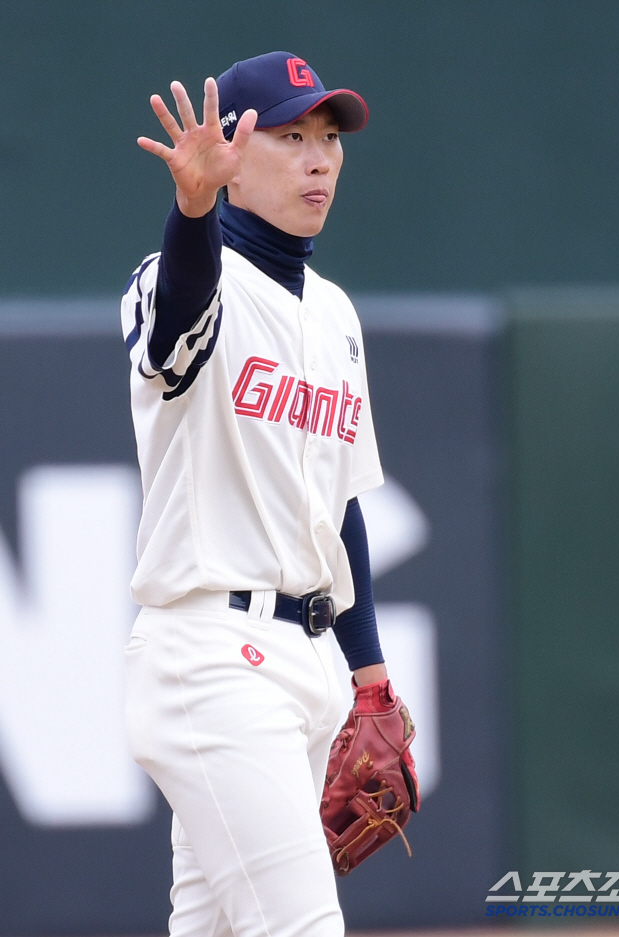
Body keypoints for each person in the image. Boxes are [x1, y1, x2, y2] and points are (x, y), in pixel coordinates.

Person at [121, 51, 396, 937]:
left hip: (309, 663)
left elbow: (339, 504)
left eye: (328, 138)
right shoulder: (176, 277)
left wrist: (371, 679)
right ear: (233, 154)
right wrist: (192, 208)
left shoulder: (337, 312)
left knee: (211, 926)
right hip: (211, 655)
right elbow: (177, 323)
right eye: (290, 137)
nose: (319, 157)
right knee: (302, 925)